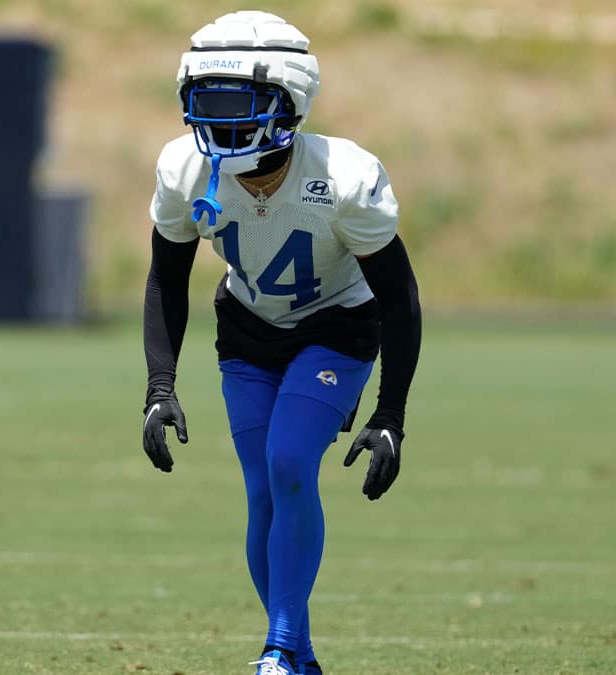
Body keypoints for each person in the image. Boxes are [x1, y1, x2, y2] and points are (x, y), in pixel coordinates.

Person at [140, 11, 422, 675]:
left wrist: (391, 415)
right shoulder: (185, 170)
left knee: (291, 461)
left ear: (287, 103)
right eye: (206, 103)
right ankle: (299, 655)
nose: (220, 121)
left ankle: (278, 648)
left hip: (336, 327)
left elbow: (399, 297)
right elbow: (167, 279)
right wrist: (159, 386)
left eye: (237, 104)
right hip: (246, 327)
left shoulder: (343, 177)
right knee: (264, 489)